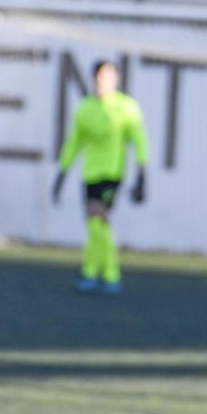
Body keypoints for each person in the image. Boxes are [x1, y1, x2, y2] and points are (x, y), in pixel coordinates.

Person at [52, 60, 149, 295]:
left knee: (97, 218)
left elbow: (139, 141)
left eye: (107, 76)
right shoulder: (86, 109)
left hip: (113, 173)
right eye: (99, 76)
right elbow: (74, 143)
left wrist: (142, 175)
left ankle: (108, 274)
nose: (102, 81)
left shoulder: (126, 108)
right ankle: (94, 273)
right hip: (90, 173)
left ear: (115, 79)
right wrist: (61, 174)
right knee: (95, 224)